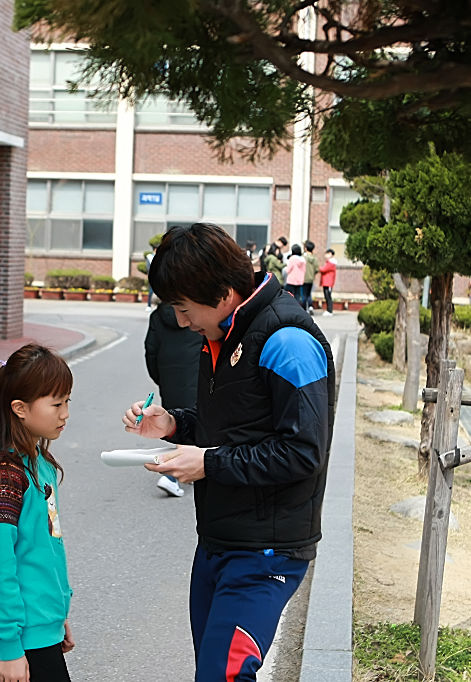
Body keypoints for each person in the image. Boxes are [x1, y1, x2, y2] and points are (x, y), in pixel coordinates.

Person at [122, 223, 335, 682]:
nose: (181, 321)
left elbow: (303, 451)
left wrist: (208, 462)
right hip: (219, 542)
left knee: (223, 675)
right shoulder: (223, 335)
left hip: (266, 552)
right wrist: (175, 424)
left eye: (184, 307)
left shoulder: (287, 341)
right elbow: (232, 427)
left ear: (221, 293)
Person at [0, 343, 76, 682]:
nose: (65, 413)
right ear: (20, 408)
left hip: (39, 623)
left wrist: (56, 617)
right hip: (19, 632)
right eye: (56, 404)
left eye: (67, 401)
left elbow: (44, 547)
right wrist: (10, 647)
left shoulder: (36, 462)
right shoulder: (3, 473)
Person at [145, 303, 203, 497]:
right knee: (195, 422)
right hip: (196, 372)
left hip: (169, 376)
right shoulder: (196, 312)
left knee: (179, 422)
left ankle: (189, 471)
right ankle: (171, 476)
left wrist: (160, 377)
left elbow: (150, 350)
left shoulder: (158, 315)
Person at [283, 244, 307, 308]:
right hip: (300, 280)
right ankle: (297, 308)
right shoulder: (303, 259)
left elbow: (288, 270)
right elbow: (304, 270)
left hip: (291, 280)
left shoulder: (292, 258)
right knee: (297, 295)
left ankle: (287, 307)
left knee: (286, 293)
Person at [302, 240, 320, 315]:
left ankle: (304, 309)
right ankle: (310, 306)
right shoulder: (315, 259)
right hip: (311, 278)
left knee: (303, 294)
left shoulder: (303, 258)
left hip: (303, 278)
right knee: (309, 293)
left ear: (305, 248)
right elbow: (317, 269)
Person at [319, 248, 337, 316]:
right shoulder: (330, 262)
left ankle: (329, 310)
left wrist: (319, 267)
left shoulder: (331, 263)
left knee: (328, 296)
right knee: (327, 296)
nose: (326, 255)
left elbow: (323, 269)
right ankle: (329, 310)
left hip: (328, 282)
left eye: (327, 254)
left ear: (331, 254)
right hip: (327, 282)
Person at [146, 245, 157, 311]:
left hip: (160, 277)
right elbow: (148, 267)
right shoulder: (149, 257)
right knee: (151, 291)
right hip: (153, 277)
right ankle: (149, 305)